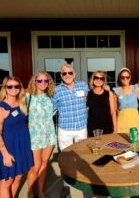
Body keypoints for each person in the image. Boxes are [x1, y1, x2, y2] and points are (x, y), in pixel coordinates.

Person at [51, 64, 89, 198]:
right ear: (61, 76)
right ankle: (66, 186)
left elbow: (92, 97)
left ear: (74, 74)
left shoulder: (83, 86)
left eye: (70, 73)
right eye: (64, 73)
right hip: (65, 129)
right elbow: (51, 109)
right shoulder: (56, 90)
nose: (67, 75)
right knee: (66, 159)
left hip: (81, 128)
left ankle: (83, 182)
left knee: (82, 157)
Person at [0, 76, 33, 198]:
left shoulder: (21, 102)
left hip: (22, 145)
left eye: (17, 86)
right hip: (9, 147)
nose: (13, 89)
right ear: (5, 88)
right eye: (10, 86)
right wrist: (5, 154)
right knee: (7, 181)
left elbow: (32, 89)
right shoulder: (0, 107)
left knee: (18, 177)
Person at [26, 72, 56, 198]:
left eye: (45, 81)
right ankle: (31, 193)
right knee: (35, 166)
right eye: (40, 81)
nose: (43, 83)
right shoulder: (28, 96)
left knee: (44, 164)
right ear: (35, 82)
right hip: (35, 136)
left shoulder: (50, 96)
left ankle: (41, 191)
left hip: (49, 135)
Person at [87, 71, 116, 136]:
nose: (99, 80)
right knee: (95, 145)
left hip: (107, 126)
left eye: (101, 78)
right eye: (96, 78)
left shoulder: (109, 93)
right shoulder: (88, 94)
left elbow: (113, 112)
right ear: (93, 79)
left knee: (107, 145)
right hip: (93, 128)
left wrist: (115, 128)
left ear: (104, 81)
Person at [113, 67, 139, 133]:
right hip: (121, 119)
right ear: (119, 78)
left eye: (127, 77)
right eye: (122, 77)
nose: (125, 79)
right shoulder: (116, 91)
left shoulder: (136, 88)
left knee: (134, 139)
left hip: (134, 119)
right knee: (121, 140)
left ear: (130, 77)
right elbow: (114, 109)